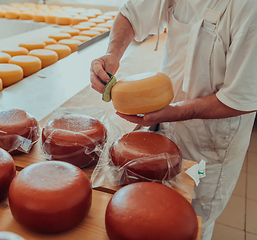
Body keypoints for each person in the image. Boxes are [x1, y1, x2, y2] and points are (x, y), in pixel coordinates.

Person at [90, 0, 257, 239]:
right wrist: (112, 53)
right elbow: (131, 14)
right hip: (167, 127)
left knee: (192, 218)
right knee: (155, 211)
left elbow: (239, 99)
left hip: (210, 147)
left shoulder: (249, 8)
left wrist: (176, 112)